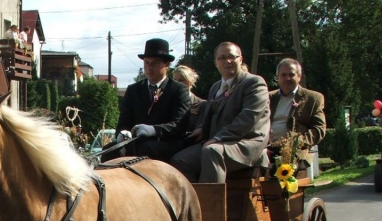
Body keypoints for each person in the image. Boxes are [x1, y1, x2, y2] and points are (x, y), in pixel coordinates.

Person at [170, 42, 270, 183]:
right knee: (180, 160)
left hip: (247, 143)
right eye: (222, 58)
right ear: (216, 63)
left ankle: (212, 203)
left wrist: (218, 138)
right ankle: (192, 201)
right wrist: (202, 130)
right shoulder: (215, 87)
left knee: (212, 152)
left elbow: (248, 119)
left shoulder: (254, 83)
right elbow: (210, 116)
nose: (227, 61)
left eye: (232, 57)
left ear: (240, 59)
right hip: (217, 142)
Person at [104, 38, 191, 162]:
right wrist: (122, 133)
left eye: (155, 63)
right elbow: (123, 121)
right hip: (135, 143)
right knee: (109, 151)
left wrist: (153, 130)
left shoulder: (178, 90)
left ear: (167, 65)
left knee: (145, 149)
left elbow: (179, 125)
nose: (149, 67)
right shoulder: (133, 90)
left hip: (165, 143)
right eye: (146, 63)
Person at [268, 58, 327, 171]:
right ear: (277, 77)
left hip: (293, 151)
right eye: (283, 75)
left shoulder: (312, 98)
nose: (287, 78)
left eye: (291, 75)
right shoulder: (268, 98)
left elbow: (319, 130)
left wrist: (296, 142)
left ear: (299, 77)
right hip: (267, 148)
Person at [173, 64, 206, 133]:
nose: (177, 83)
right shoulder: (168, 102)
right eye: (175, 80)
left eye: (181, 80)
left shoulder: (202, 104)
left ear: (190, 82)